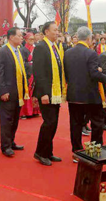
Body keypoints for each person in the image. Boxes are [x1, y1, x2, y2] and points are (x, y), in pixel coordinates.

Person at [64, 27, 106, 156]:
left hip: (74, 94)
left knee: (75, 124)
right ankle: (94, 151)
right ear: (89, 39)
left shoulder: (68, 53)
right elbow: (94, 74)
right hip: (90, 95)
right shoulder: (91, 53)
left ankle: (77, 151)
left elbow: (67, 73)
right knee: (97, 123)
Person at [33, 22, 65, 166]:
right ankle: (40, 152)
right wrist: (43, 93)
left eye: (57, 30)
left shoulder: (54, 47)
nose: (57, 32)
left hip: (56, 92)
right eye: (55, 30)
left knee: (54, 123)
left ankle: (48, 152)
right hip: (47, 92)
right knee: (49, 122)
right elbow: (39, 73)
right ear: (46, 31)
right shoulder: (41, 47)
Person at [0, 27, 29, 157]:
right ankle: (5, 146)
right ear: (10, 37)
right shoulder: (3, 52)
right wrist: (3, 91)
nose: (21, 38)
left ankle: (11, 141)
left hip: (18, 91)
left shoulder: (18, 51)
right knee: (6, 120)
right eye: (19, 35)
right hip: (7, 92)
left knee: (14, 120)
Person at [20, 33, 40, 118]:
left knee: (35, 91)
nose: (32, 41)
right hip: (28, 73)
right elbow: (23, 63)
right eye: (30, 39)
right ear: (26, 40)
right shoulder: (23, 50)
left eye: (33, 39)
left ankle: (35, 111)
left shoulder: (35, 49)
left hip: (35, 72)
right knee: (27, 91)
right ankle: (26, 112)